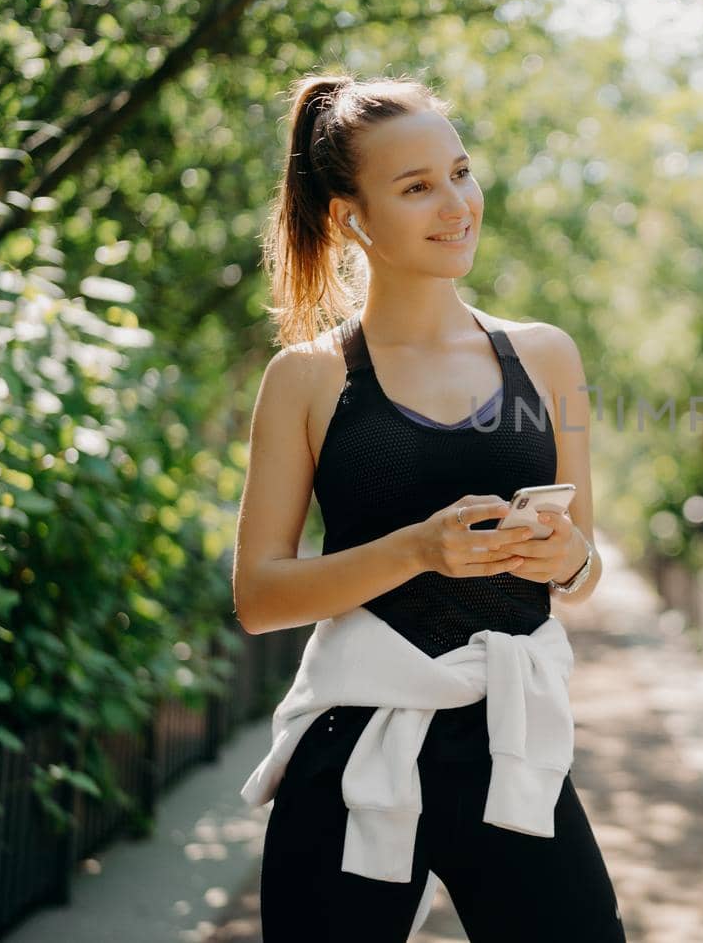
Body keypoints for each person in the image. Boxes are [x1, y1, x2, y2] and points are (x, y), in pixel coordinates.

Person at [231, 72, 625, 941]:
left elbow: (585, 568)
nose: (455, 204)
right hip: (353, 745)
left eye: (460, 172)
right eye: (416, 187)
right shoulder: (309, 377)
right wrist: (419, 549)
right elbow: (259, 597)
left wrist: (562, 557)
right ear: (349, 216)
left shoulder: (546, 358)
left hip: (512, 742)